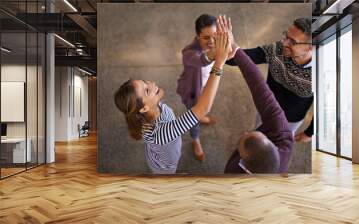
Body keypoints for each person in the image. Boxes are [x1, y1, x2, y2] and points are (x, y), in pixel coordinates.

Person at [114, 30, 233, 174]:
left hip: (158, 153)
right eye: (146, 90)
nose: (151, 83)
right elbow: (203, 108)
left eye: (145, 82)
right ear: (144, 108)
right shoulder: (162, 132)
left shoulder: (154, 109)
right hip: (165, 168)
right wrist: (219, 62)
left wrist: (219, 56)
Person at [214, 15, 294, 174]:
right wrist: (236, 51)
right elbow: (262, 92)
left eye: (241, 145)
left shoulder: (233, 171)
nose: (245, 132)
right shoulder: (285, 140)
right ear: (273, 145)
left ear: (243, 163)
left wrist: (218, 65)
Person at [226, 18, 313, 143]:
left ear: (310, 48)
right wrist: (227, 49)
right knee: (258, 130)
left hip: (290, 119)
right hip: (266, 107)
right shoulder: (279, 50)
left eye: (292, 42)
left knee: (278, 143)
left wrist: (310, 132)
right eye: (286, 36)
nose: (284, 43)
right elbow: (248, 57)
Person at [176, 14, 219, 162]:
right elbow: (203, 60)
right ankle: (196, 140)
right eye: (206, 38)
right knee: (193, 119)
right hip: (192, 93)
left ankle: (202, 116)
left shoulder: (216, 44)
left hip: (205, 89)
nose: (212, 42)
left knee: (203, 110)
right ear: (197, 36)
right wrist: (219, 53)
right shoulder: (188, 52)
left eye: (215, 36)